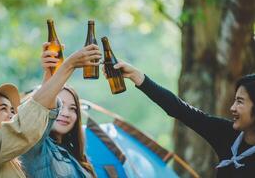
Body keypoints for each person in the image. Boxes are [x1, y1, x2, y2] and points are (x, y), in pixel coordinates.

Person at [0, 44, 101, 178]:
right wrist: (68, 65)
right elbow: (25, 126)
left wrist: (50, 73)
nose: (12, 113)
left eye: (12, 109)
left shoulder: (12, 158)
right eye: (3, 108)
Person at [104, 60, 255, 178]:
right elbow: (181, 110)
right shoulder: (227, 134)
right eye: (234, 101)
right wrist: (137, 76)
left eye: (240, 102)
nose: (232, 108)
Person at [20, 42, 96, 177]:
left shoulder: (77, 156)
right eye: (59, 105)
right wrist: (63, 67)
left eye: (73, 109)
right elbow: (39, 109)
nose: (66, 113)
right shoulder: (34, 147)